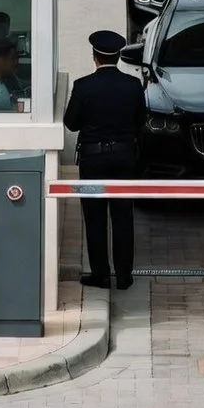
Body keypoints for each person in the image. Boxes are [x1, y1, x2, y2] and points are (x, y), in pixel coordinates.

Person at [63, 30, 146, 291]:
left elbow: (71, 122)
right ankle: (124, 276)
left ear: (94, 56)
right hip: (123, 157)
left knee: (95, 216)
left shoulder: (83, 85)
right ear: (119, 56)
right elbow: (140, 123)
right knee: (123, 216)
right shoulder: (133, 86)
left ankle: (101, 273)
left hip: (93, 158)